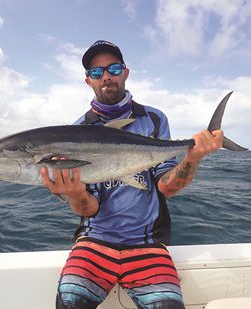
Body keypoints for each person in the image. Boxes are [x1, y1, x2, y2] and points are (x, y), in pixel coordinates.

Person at [41, 40, 223, 309]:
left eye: (113, 68)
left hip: (147, 243)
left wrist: (192, 157)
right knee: (69, 302)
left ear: (125, 72)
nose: (106, 76)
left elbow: (167, 188)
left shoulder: (154, 119)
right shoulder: (76, 131)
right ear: (88, 81)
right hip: (95, 239)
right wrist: (75, 194)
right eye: (96, 72)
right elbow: (88, 209)